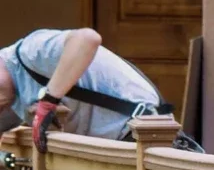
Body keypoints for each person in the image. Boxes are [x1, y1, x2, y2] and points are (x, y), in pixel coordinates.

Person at [0, 27, 176, 153]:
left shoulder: (30, 50)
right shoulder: (11, 96)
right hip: (117, 146)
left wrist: (49, 99)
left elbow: (88, 38)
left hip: (142, 130)